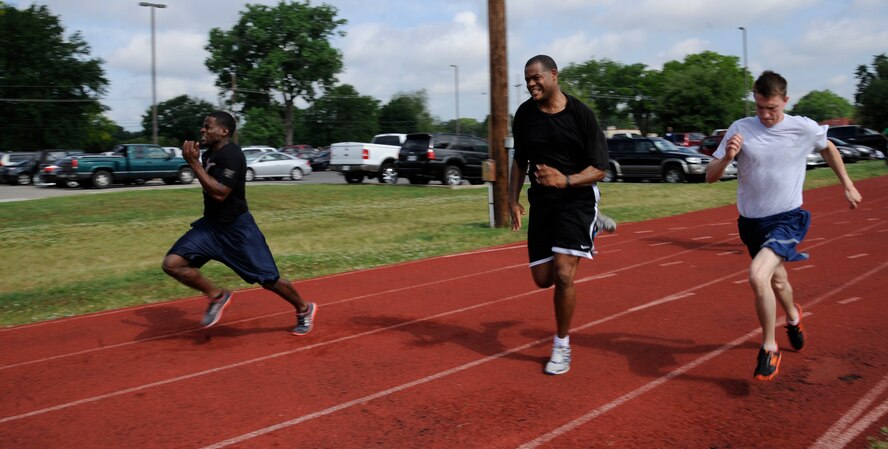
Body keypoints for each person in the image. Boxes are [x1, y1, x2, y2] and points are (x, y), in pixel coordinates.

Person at [706, 71, 861, 381]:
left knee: (756, 275)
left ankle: (769, 347)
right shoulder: (740, 129)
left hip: (788, 218)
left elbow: (828, 147)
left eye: (772, 108)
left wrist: (847, 183)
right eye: (760, 107)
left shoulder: (802, 127)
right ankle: (793, 317)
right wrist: (728, 158)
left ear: (785, 101)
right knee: (776, 281)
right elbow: (710, 176)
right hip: (751, 222)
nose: (765, 115)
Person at [162, 111, 316, 335]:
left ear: (224, 131)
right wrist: (197, 161)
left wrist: (193, 164)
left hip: (237, 229)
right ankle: (217, 296)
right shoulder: (207, 154)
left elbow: (220, 193)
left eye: (207, 126)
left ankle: (304, 308)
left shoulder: (232, 155)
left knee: (269, 280)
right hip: (211, 227)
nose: (202, 130)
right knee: (172, 264)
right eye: (202, 126)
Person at [509, 55, 611, 375]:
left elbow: (599, 170)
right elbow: (519, 162)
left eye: (536, 77)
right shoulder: (525, 114)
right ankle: (591, 229)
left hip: (576, 199)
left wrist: (564, 180)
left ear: (553, 75)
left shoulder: (581, 115)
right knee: (543, 279)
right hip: (542, 203)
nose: (531, 84)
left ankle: (562, 345)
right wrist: (511, 200)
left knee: (565, 274)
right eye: (527, 80)